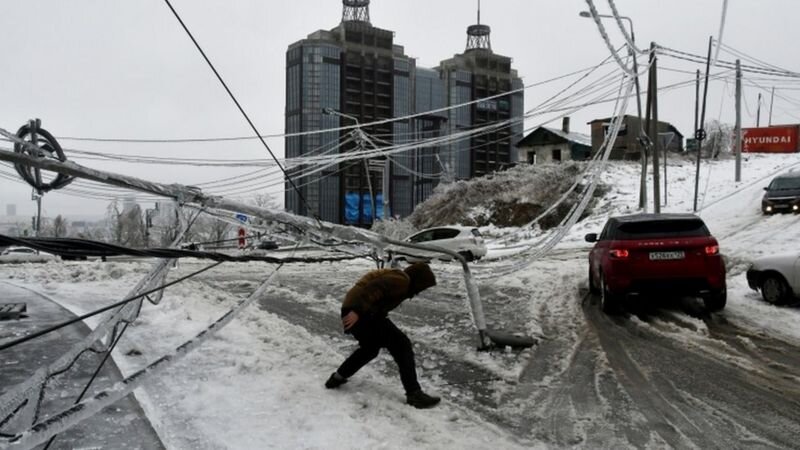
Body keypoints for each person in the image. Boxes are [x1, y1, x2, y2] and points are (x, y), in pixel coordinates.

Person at [325, 262, 441, 409]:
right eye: (423, 286)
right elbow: (373, 288)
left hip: (360, 311)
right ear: (418, 280)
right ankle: (414, 394)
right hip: (359, 311)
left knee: (370, 349)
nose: (421, 291)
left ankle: (337, 378)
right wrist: (357, 311)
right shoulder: (402, 280)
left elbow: (379, 300)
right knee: (402, 344)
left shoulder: (400, 280)